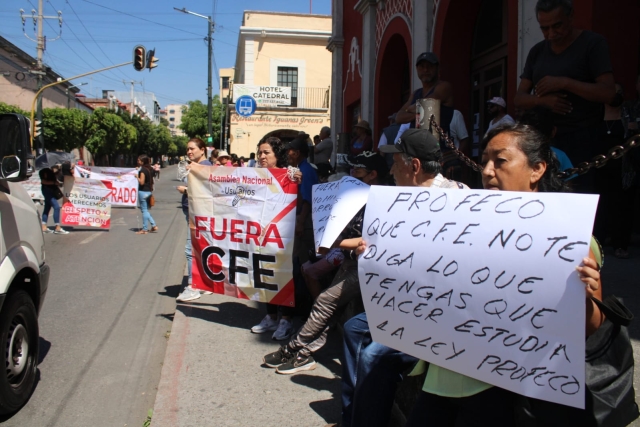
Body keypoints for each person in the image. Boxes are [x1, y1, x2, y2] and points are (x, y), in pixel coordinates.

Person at [404, 123, 604, 426]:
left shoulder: (569, 240)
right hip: (445, 370)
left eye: (500, 161)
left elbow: (589, 327)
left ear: (536, 170)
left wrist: (587, 293)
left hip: (504, 385)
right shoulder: (459, 225)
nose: (486, 171)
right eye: (485, 160)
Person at [340, 129, 468, 427]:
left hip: (438, 312)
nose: (391, 169)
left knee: (373, 356)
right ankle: (352, 416)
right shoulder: (401, 198)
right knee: (353, 328)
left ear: (414, 166)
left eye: (395, 162)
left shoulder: (456, 200)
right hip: (405, 302)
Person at [262, 151, 388, 375]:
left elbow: (369, 239)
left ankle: (294, 347)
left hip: (366, 264)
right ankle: (303, 354)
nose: (352, 175)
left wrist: (335, 243)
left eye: (357, 171)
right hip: (350, 261)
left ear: (372, 175)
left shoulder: (381, 200)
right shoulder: (358, 194)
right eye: (351, 170)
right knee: (331, 308)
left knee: (325, 302)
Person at [514, 0, 616, 193]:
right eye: (545, 28)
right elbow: (518, 98)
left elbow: (608, 92)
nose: (551, 34)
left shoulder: (592, 44)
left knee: (580, 196)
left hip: (584, 138)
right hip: (542, 139)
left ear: (571, 17)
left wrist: (565, 83)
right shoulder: (537, 51)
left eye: (557, 25)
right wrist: (542, 101)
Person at [250, 137, 301, 338]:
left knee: (283, 275)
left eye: (266, 152)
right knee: (264, 274)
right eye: (260, 152)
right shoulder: (254, 175)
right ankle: (270, 317)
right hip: (260, 236)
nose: (262, 156)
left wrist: (296, 179)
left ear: (277, 154)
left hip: (282, 236)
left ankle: (285, 320)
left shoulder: (290, 174)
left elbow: (297, 201)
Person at [175, 139, 213, 302]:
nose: (189, 152)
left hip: (197, 213)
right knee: (200, 248)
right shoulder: (199, 166)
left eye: (192, 149)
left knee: (191, 250)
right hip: (194, 212)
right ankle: (204, 284)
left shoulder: (203, 166)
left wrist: (185, 190)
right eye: (187, 149)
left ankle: (193, 286)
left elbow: (206, 190)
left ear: (202, 149)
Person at [395, 52, 454, 125]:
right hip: (416, 136)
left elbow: (426, 104)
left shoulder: (444, 87)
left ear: (437, 68)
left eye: (430, 66)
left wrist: (409, 110)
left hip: (436, 136)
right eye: (422, 66)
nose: (425, 70)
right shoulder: (415, 93)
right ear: (417, 69)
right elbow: (398, 117)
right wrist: (420, 114)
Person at [39, 167, 69, 234]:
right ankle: (57, 227)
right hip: (47, 190)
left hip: (51, 190)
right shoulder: (44, 171)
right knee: (56, 207)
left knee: (47, 208)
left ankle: (44, 227)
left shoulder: (52, 171)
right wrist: (54, 183)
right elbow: (43, 181)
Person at [135, 155, 158, 235]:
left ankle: (144, 229)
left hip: (143, 192)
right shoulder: (150, 169)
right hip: (149, 191)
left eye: (139, 160)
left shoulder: (143, 170)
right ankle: (154, 225)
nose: (137, 161)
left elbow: (141, 182)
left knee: (144, 211)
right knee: (145, 210)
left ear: (142, 161)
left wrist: (137, 177)